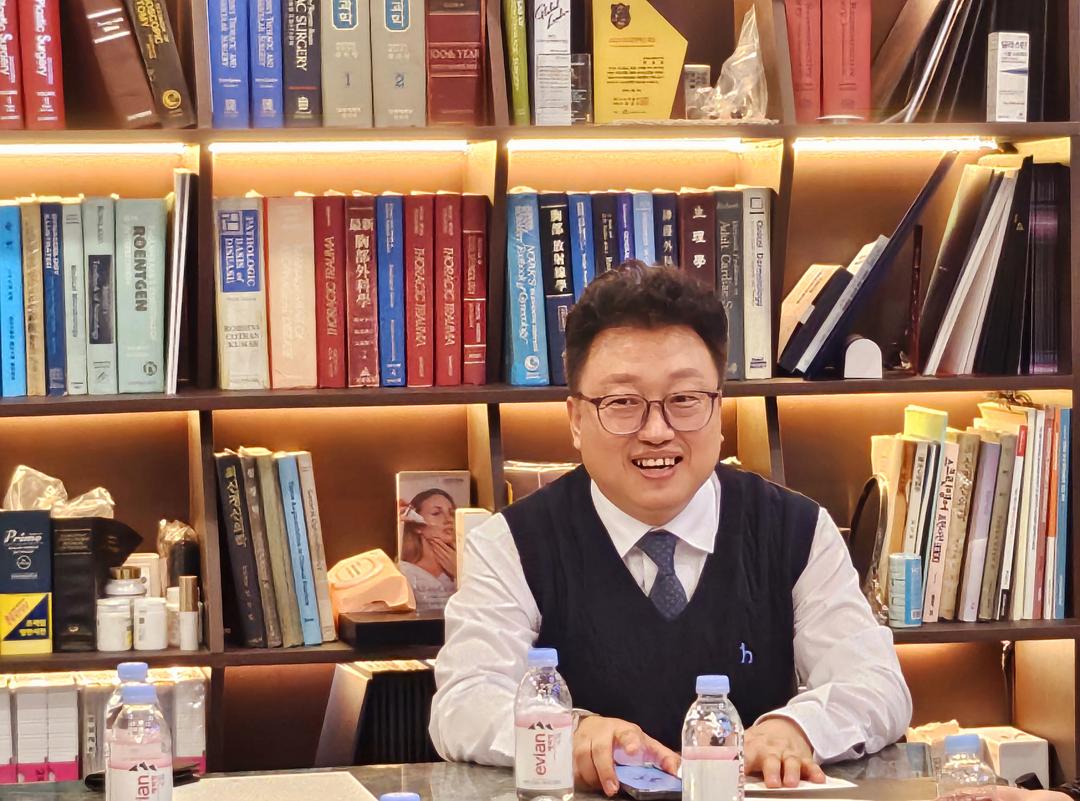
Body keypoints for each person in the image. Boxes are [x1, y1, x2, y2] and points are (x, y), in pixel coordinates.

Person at [429, 262, 912, 795]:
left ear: (720, 410)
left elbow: (876, 685)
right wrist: (569, 733)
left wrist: (795, 728)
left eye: (684, 400)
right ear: (575, 419)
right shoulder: (511, 544)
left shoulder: (796, 531)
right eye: (623, 403)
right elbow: (463, 703)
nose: (657, 431)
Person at [398, 488, 457, 611]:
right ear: (417, 526)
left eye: (452, 513)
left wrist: (460, 573)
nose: (449, 520)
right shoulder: (403, 573)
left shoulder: (466, 568)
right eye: (436, 513)